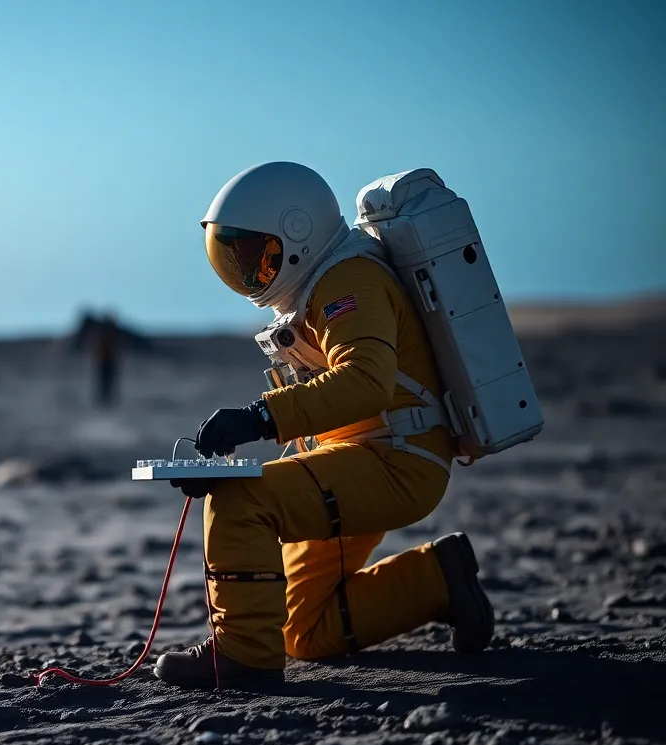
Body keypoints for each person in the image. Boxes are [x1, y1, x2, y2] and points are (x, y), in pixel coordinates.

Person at [156, 162, 495, 689]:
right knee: (303, 630)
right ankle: (438, 580)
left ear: (297, 232)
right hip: (366, 457)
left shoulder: (348, 282)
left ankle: (242, 657)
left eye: (257, 256)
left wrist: (259, 417)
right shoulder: (321, 286)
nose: (249, 273)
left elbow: (365, 383)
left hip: (398, 460)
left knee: (241, 499)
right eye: (237, 258)